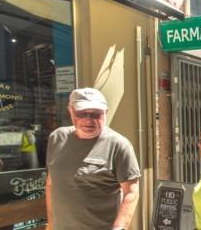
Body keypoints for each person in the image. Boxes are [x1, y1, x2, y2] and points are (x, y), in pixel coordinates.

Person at [45, 88, 140, 230]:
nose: (88, 120)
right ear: (70, 110)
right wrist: (51, 224)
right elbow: (51, 183)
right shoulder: (57, 138)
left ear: (106, 113)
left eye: (96, 114)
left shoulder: (118, 145)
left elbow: (131, 192)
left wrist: (119, 228)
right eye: (81, 113)